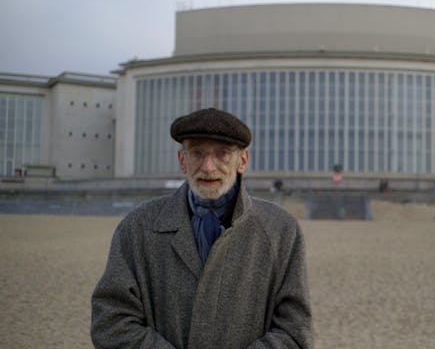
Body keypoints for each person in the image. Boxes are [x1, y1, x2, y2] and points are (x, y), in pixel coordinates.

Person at [91, 108, 313, 348]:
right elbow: (111, 322)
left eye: (222, 154)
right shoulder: (137, 227)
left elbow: (295, 332)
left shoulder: (281, 230)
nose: (208, 167)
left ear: (243, 161)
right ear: (182, 160)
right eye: (197, 153)